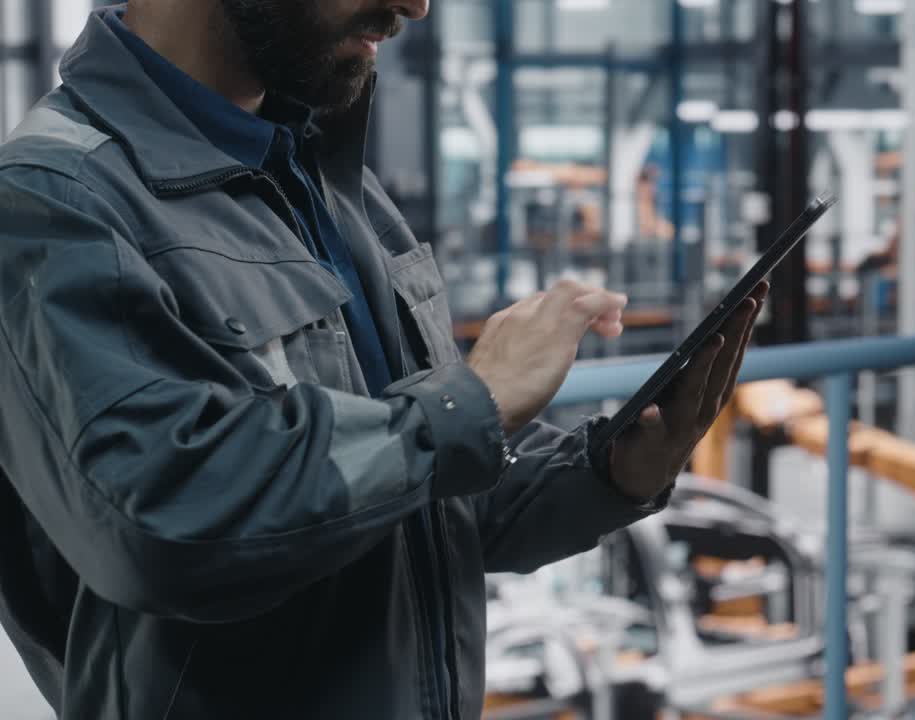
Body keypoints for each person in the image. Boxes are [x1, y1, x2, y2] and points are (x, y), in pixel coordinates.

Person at [0, 2, 767, 718]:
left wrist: (610, 473)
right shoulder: (53, 204)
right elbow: (168, 526)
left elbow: (421, 501)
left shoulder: (321, 182)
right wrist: (473, 401)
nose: (416, 4)